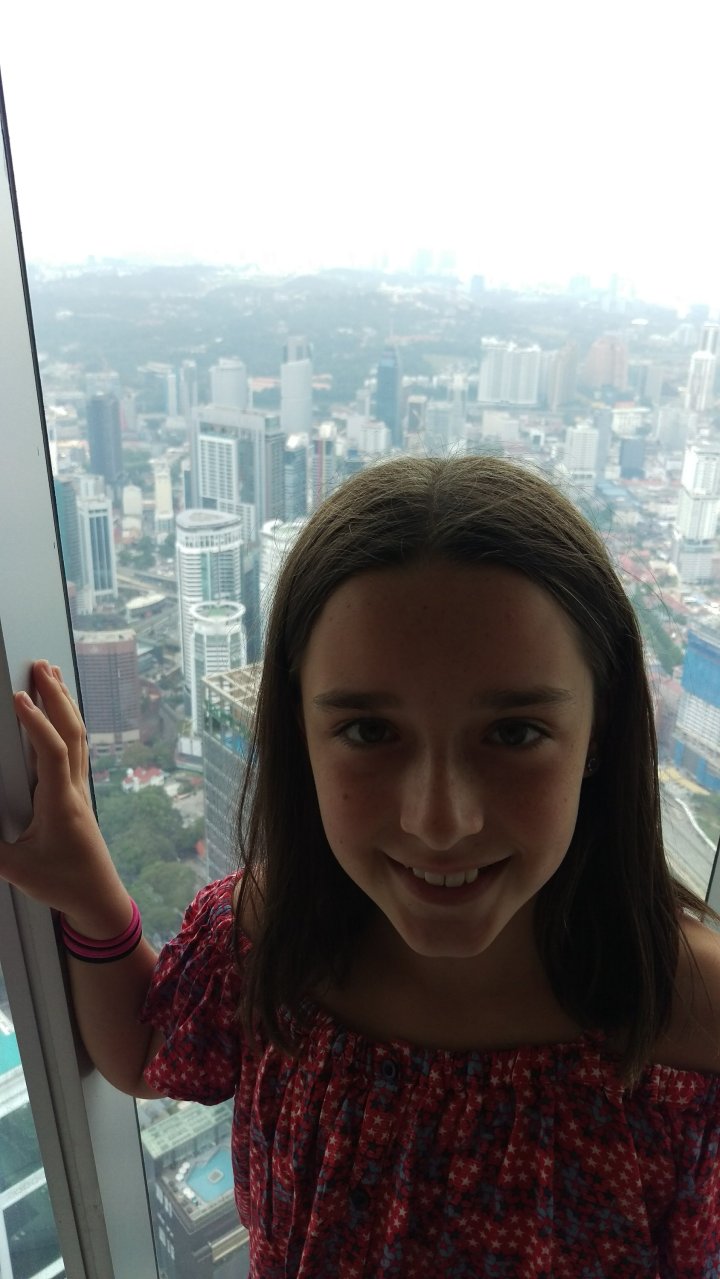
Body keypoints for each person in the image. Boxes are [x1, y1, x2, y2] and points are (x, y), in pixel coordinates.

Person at [2, 453, 720, 1277]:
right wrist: (90, 895)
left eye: (514, 732)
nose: (439, 821)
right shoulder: (273, 936)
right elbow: (146, 1050)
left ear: (600, 733)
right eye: (370, 732)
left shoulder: (694, 1017)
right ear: (299, 734)